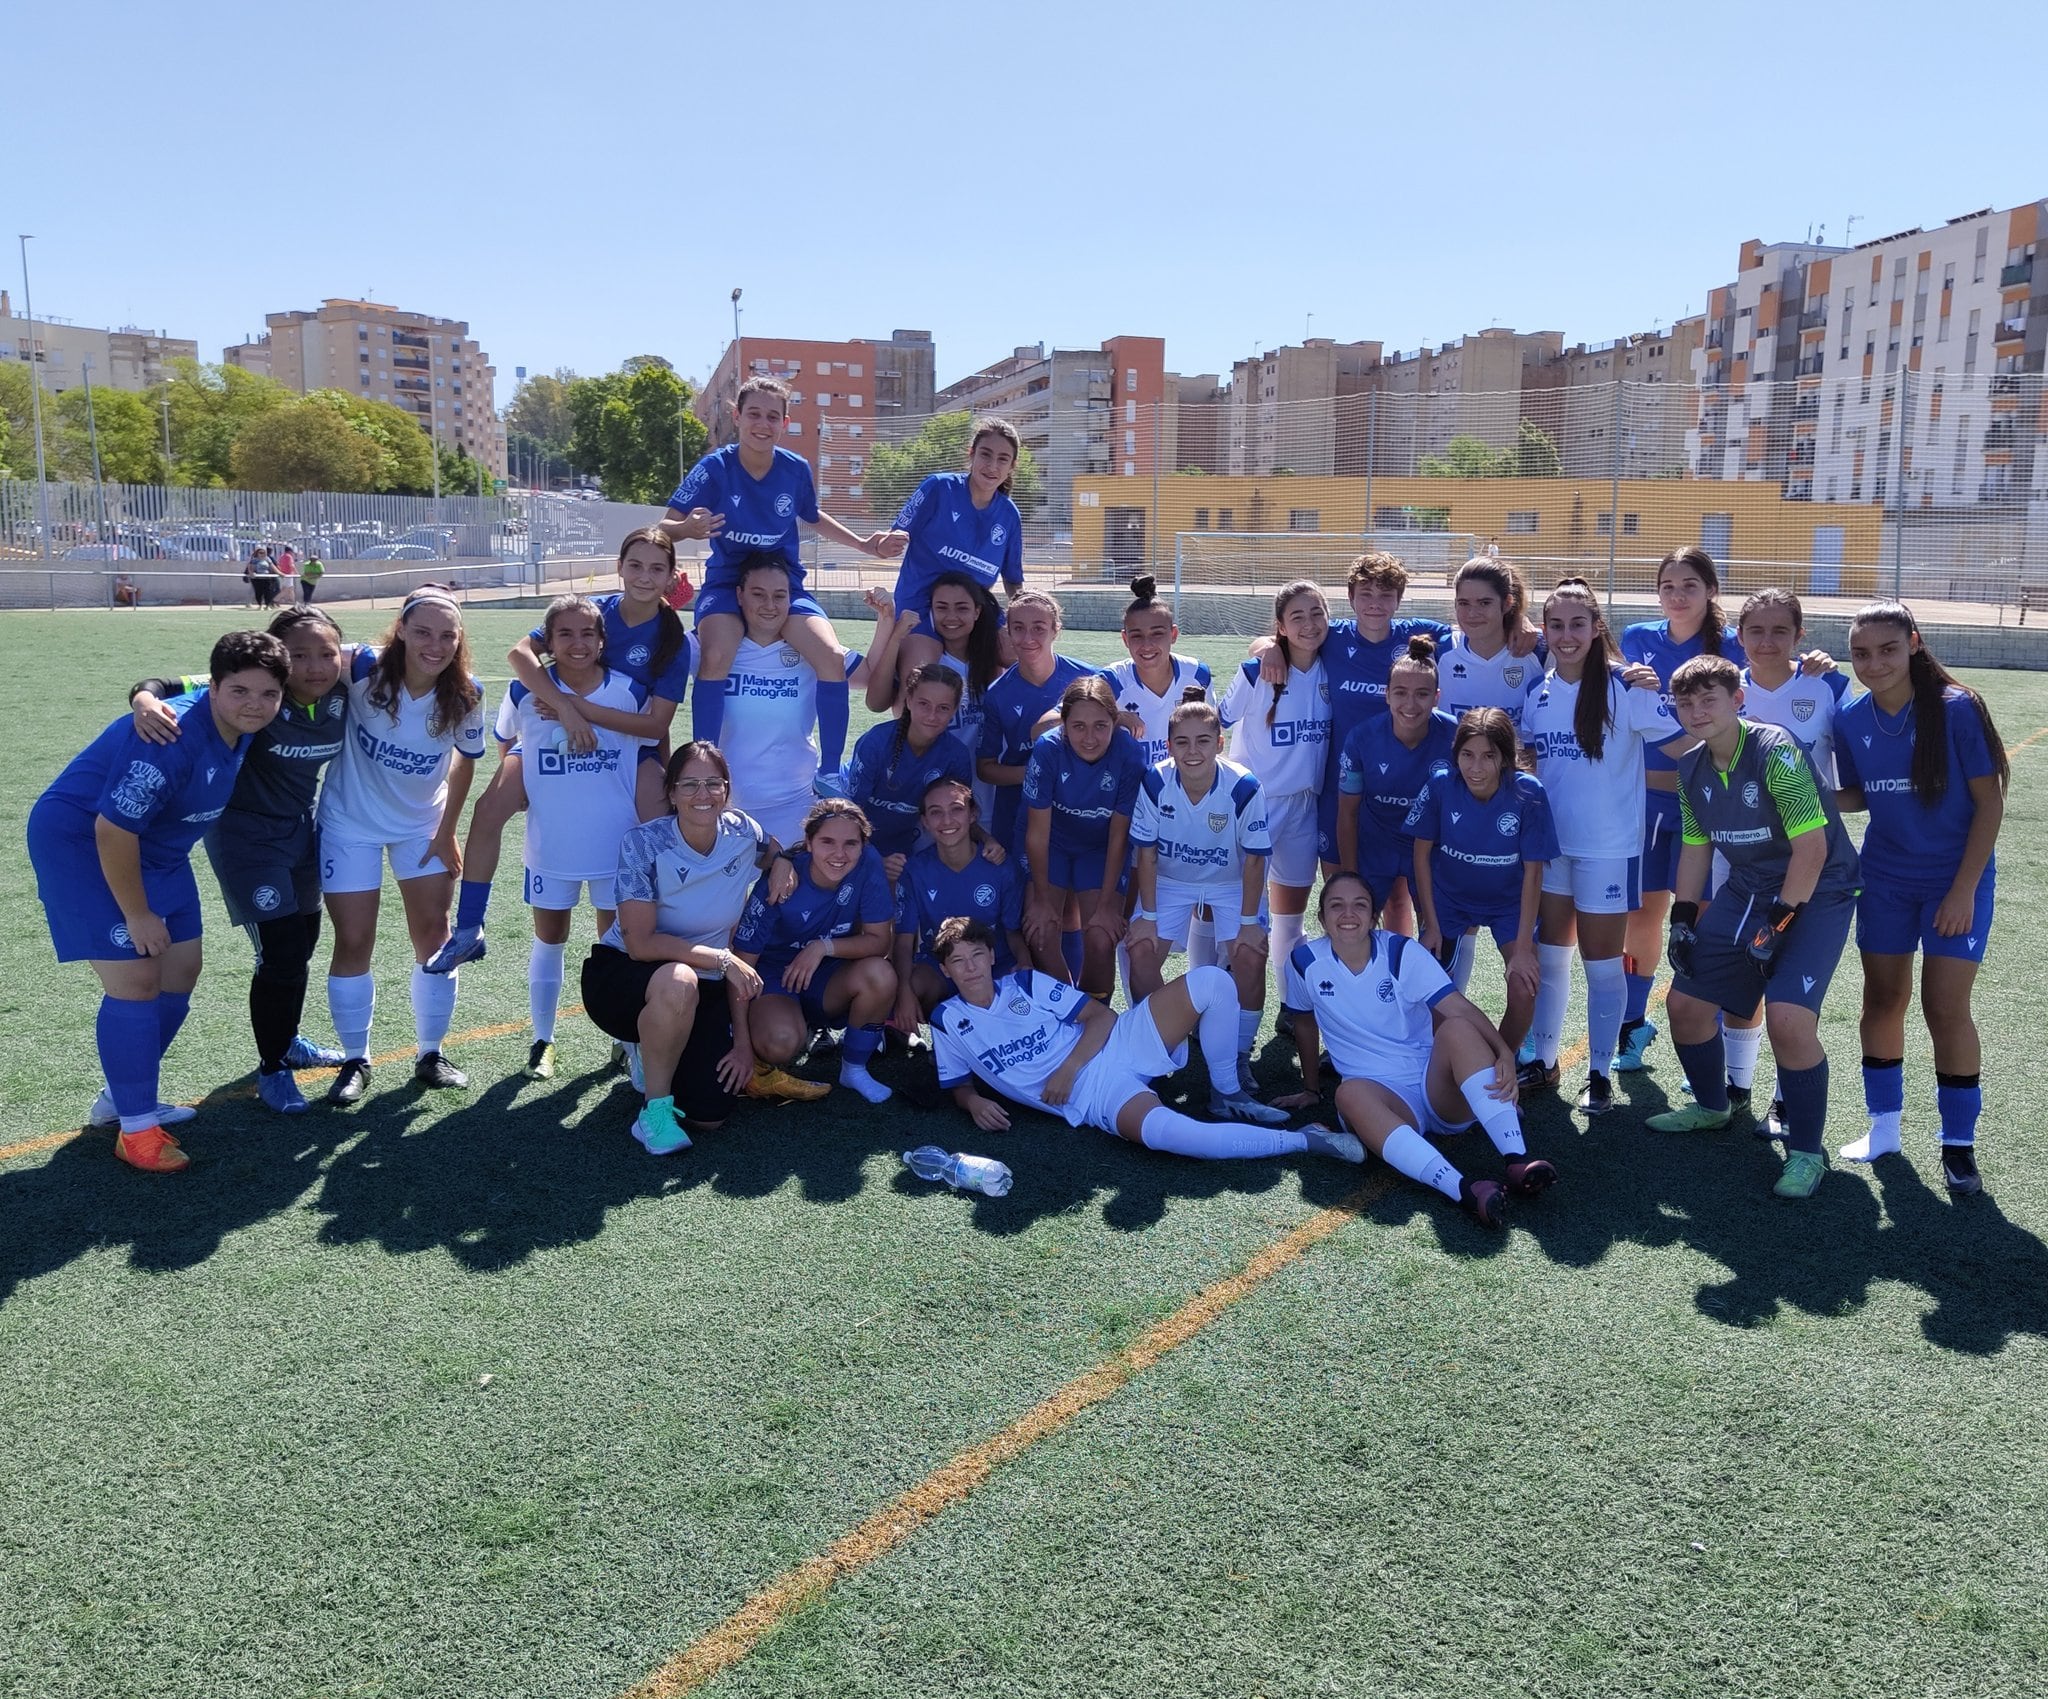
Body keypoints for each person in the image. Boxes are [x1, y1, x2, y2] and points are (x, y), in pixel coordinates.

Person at [27, 630, 290, 1171]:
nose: (255, 705)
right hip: (87, 843)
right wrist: (138, 913)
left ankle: (121, 1100)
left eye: (268, 694)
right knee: (138, 981)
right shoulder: (169, 739)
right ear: (214, 687)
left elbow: (169, 682)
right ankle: (138, 1132)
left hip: (159, 848)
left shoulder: (238, 715)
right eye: (239, 691)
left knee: (182, 971)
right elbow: (112, 830)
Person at [1644, 656, 1862, 1201]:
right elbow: (1695, 849)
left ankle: (1807, 1153)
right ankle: (1713, 1106)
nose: (1696, 712)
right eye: (1685, 703)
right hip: (1750, 886)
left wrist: (1778, 926)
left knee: (1789, 1020)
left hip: (1820, 886)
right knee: (1686, 1005)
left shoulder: (1774, 749)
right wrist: (1683, 918)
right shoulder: (1691, 766)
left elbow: (1811, 850)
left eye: (1708, 699)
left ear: (1737, 700)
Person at [429, 528, 695, 973]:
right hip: (554, 735)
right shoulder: (596, 613)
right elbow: (520, 654)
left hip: (631, 745)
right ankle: (469, 928)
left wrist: (579, 711)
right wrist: (567, 712)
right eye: (635, 565)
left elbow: (656, 724)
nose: (644, 577)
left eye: (656, 568)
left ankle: (671, 934)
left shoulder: (673, 639)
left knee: (663, 828)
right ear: (619, 566)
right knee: (490, 808)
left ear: (671, 576)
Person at [125, 606, 353, 1113]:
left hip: (301, 832)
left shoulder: (344, 684)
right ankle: (273, 1069)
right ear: (276, 659)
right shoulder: (256, 693)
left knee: (303, 944)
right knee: (282, 951)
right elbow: (159, 684)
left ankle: (288, 1040)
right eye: (299, 655)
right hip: (245, 839)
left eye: (326, 653)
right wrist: (143, 699)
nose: (315, 666)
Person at [930, 918, 1363, 1167]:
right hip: (1093, 1094)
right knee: (1170, 1136)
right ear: (946, 972)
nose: (970, 969)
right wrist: (973, 1103)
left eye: (976, 956)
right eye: (957, 962)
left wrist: (1065, 1068)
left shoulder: (1023, 982)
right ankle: (1305, 1141)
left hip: (1114, 1044)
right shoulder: (947, 1020)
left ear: (991, 956)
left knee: (1212, 981)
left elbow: (1101, 1016)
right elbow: (956, 1082)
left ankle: (1226, 1092)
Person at [1834, 602, 2007, 1193]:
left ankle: (1959, 1146)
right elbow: (1860, 794)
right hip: (1884, 878)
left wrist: (1962, 891)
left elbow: (1990, 803)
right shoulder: (1850, 716)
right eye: (1861, 653)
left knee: (1944, 1007)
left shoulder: (1958, 710)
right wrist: (1816, 798)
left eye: (1886, 649)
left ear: (1913, 643)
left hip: (1955, 880)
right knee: (1882, 999)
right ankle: (1884, 1129)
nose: (1874, 663)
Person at [1281, 872, 1552, 1226]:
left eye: (1359, 905)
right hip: (1381, 1098)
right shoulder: (1304, 963)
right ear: (1321, 918)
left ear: (1374, 915)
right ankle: (1464, 1190)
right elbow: (1303, 1023)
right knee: (1347, 1094)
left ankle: (1517, 1160)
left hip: (1435, 1085)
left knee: (1456, 1028)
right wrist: (1310, 1088)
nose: (1348, 914)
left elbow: (1457, 1006)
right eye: (1337, 906)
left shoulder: (1400, 951)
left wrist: (1502, 1052)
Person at [580, 743, 797, 1154]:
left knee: (710, 1114)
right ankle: (654, 1113)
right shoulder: (643, 843)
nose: (703, 794)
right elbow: (641, 944)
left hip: (706, 978)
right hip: (625, 974)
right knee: (678, 982)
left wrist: (783, 859)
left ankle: (657, 1048)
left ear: (726, 789)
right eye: (690, 784)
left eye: (713, 783)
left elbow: (773, 849)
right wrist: (721, 957)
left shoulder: (741, 830)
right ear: (672, 791)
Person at [1521, 579, 1685, 1115]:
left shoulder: (1628, 688)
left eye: (1577, 624)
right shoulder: (1537, 693)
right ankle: (1542, 1061)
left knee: (1602, 965)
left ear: (1596, 629)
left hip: (1609, 849)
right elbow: (1530, 767)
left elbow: (1685, 745)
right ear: (1544, 630)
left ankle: (1597, 1075)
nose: (1567, 636)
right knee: (1551, 958)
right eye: (1557, 625)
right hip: (1552, 850)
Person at [319, 587, 487, 1103]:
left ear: (459, 641)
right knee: (353, 942)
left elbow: (467, 760)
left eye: (447, 635)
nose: (434, 645)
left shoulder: (467, 693)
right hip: (349, 823)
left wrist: (446, 830)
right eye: (422, 632)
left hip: (421, 827)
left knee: (435, 939)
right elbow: (291, 662)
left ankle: (430, 1053)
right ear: (401, 629)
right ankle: (354, 1060)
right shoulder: (362, 667)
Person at [662, 376, 873, 770]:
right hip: (727, 584)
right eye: (754, 414)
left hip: (784, 585)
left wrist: (863, 545)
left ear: (785, 422)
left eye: (772, 416)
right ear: (737, 417)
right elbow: (661, 528)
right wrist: (685, 530)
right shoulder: (715, 468)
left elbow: (811, 516)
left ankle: (829, 771)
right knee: (716, 656)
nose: (763, 423)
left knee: (829, 656)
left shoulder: (795, 469)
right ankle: (706, 768)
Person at [491, 595, 650, 1080]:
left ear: (603, 641)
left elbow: (650, 749)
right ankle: (543, 1041)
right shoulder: (525, 693)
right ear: (549, 641)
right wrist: (516, 783)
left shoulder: (628, 693)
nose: (577, 644)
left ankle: (626, 1041)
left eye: (588, 634)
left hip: (614, 844)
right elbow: (504, 738)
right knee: (550, 937)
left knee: (616, 943)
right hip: (552, 842)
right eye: (565, 634)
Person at [1612, 545, 1741, 1075]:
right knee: (1641, 917)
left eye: (1689, 585)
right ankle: (1632, 1024)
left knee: (1704, 927)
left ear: (1710, 590)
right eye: (1668, 586)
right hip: (1646, 804)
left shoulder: (1735, 646)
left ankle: (1703, 1040)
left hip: (1712, 808)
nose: (1678, 595)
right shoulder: (1640, 639)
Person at [1126, 694, 1284, 1123]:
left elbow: (1254, 860)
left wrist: (1250, 923)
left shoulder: (1244, 785)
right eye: (1182, 742)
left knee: (1250, 956)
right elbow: (1147, 855)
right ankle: (1159, 1045)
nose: (1192, 751)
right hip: (1171, 881)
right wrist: (1149, 918)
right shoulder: (1155, 782)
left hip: (1230, 882)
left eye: (1202, 740)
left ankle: (1237, 1058)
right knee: (1139, 951)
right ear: (1169, 744)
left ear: (1220, 741)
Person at [1406, 708, 1556, 1054]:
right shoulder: (1442, 785)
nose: (1476, 767)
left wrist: (1521, 948)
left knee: (1524, 987)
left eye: (1489, 756)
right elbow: (1421, 854)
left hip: (1508, 906)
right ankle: (1441, 1066)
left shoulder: (1527, 792)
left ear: (1505, 757)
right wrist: (1429, 923)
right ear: (1456, 754)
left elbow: (1534, 872)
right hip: (1450, 901)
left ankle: (1500, 1063)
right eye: (1467, 755)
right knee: (1433, 992)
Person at [732, 799, 900, 1103]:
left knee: (880, 973)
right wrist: (741, 1044)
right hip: (773, 974)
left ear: (863, 846)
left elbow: (879, 941)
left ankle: (854, 1069)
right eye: (827, 841)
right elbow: (741, 966)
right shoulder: (783, 877)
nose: (839, 854)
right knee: (779, 1042)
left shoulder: (868, 862)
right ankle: (772, 1028)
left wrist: (822, 947)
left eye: (851, 843)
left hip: (826, 970)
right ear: (808, 842)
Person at [1218, 581, 1333, 1011]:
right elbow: (1219, 723)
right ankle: (1215, 998)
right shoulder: (1255, 673)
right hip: (1255, 807)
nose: (1309, 624)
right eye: (1296, 617)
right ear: (1281, 626)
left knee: (1290, 918)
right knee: (1235, 912)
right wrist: (1265, 648)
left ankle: (1291, 1005)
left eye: (1316, 613)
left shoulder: (1332, 666)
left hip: (1305, 807)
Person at [720, 555, 874, 847]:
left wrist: (887, 622)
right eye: (758, 594)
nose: (769, 605)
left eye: (780, 596)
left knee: (792, 888)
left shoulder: (812, 648)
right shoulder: (714, 645)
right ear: (739, 595)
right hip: (728, 805)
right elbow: (658, 662)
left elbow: (870, 678)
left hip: (796, 803)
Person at [871, 416, 1026, 682]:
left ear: (1012, 466)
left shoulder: (1009, 515)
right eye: (985, 455)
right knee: (919, 678)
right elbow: (894, 536)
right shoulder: (939, 488)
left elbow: (1012, 579)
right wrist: (886, 544)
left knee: (1020, 652)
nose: (992, 466)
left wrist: (1023, 613)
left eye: (1002, 459)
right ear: (972, 454)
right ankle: (906, 718)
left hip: (973, 611)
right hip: (920, 605)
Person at [1021, 676, 1147, 999]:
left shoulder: (1130, 755)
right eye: (1078, 726)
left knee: (1102, 935)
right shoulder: (1048, 750)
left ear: (1115, 723)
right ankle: (1065, 1007)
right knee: (1041, 931)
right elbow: (1037, 835)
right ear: (1063, 724)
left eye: (1100, 726)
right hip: (1054, 845)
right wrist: (1041, 901)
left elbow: (1119, 835)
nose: (1089, 738)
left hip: (1100, 849)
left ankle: (1098, 1013)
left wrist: (1107, 905)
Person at [1333, 635, 1458, 934]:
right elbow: (1347, 813)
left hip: (1430, 848)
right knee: (1355, 929)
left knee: (1438, 933)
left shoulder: (1455, 736)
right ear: (1387, 695)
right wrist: (1350, 876)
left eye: (1422, 694)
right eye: (1400, 693)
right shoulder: (1362, 738)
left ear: (1437, 697)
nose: (1410, 704)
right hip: (1376, 846)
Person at [892, 777, 1030, 1029]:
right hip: (939, 968)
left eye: (956, 809)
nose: (947, 821)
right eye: (935, 813)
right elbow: (903, 941)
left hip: (993, 965)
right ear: (924, 821)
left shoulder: (1000, 867)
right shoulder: (914, 870)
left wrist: (1026, 966)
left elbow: (1013, 932)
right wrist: (903, 992)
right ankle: (922, 1032)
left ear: (973, 814)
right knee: (910, 984)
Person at [865, 571, 1002, 818]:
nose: (951, 617)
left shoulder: (994, 662)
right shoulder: (924, 661)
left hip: (987, 787)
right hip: (930, 790)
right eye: (942, 608)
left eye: (961, 608)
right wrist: (895, 635)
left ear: (977, 612)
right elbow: (875, 703)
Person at [977, 589, 1091, 853]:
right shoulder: (997, 693)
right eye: (1018, 628)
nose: (1028, 638)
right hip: (1019, 812)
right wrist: (1036, 774)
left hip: (1080, 810)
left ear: (1056, 630)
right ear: (1007, 631)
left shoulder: (1088, 679)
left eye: (1039, 628)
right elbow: (985, 768)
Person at [845, 665, 976, 879]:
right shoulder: (875, 743)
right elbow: (849, 815)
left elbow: (957, 816)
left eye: (943, 708)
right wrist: (873, 859)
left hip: (905, 842)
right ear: (908, 700)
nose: (932, 716)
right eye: (924, 704)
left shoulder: (956, 755)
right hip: (855, 840)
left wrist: (988, 841)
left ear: (954, 711)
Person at [1099, 575, 1212, 768]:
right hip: (1128, 789)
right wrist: (1116, 717)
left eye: (1157, 633)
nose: (1147, 645)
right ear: (1125, 639)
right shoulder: (1113, 680)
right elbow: (1059, 721)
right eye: (1137, 636)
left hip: (1181, 784)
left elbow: (1210, 734)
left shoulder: (1196, 675)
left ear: (1173, 634)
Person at [1441, 556, 1543, 729]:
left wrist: (1520, 617)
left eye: (1484, 603)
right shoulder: (1441, 649)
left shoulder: (1538, 649)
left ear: (1507, 603)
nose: (1472, 613)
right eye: (1464, 603)